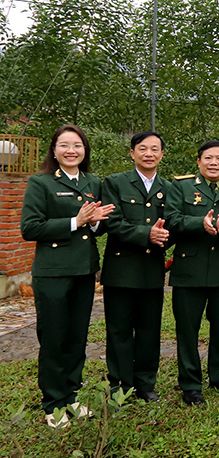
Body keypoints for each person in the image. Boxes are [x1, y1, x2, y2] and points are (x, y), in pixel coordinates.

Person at [20, 125, 115, 428]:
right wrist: (77, 220)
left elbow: (96, 226)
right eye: (64, 145)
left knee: (77, 337)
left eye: (77, 145)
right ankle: (53, 404)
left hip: (84, 271)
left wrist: (97, 222)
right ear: (54, 149)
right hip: (53, 273)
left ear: (85, 151)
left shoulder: (92, 182)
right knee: (53, 338)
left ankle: (71, 396)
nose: (71, 150)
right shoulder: (42, 182)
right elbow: (30, 228)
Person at [165, 140, 219, 405]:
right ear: (198, 161)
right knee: (187, 329)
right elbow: (172, 220)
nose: (214, 163)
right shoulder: (181, 186)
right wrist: (199, 223)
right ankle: (190, 383)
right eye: (208, 158)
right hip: (189, 268)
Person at [101, 131, 170, 403]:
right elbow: (112, 223)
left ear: (162, 155)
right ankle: (119, 385)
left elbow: (172, 223)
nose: (149, 154)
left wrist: (165, 237)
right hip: (121, 268)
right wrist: (147, 234)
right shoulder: (115, 183)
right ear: (132, 153)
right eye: (143, 149)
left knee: (149, 329)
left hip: (152, 268)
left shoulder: (169, 187)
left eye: (155, 149)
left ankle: (145, 383)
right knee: (118, 330)